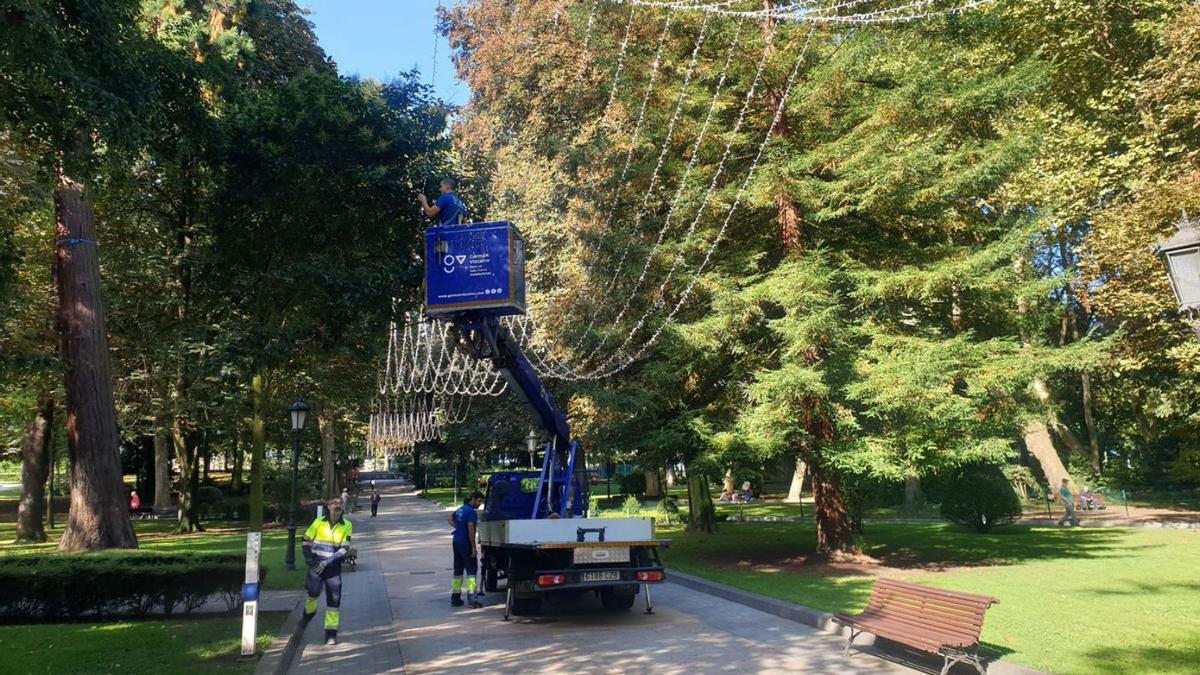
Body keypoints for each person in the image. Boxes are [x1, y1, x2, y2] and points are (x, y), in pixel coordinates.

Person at [302, 497, 353, 645]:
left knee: (334, 599)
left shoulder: (347, 525)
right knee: (313, 591)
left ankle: (331, 634)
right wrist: (309, 559)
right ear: (328, 507)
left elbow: (344, 548)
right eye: (334, 503)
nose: (337, 506)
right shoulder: (318, 523)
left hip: (332, 567)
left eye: (340, 503)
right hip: (316, 564)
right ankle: (308, 613)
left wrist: (327, 562)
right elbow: (306, 539)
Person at [447, 491, 484, 609]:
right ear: (472, 499)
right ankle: (473, 599)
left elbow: (450, 518)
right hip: (466, 544)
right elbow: (471, 530)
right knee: (471, 571)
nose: (480, 504)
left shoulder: (461, 509)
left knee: (458, 571)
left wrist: (458, 528)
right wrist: (473, 547)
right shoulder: (471, 512)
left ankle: (455, 597)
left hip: (456, 542)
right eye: (479, 501)